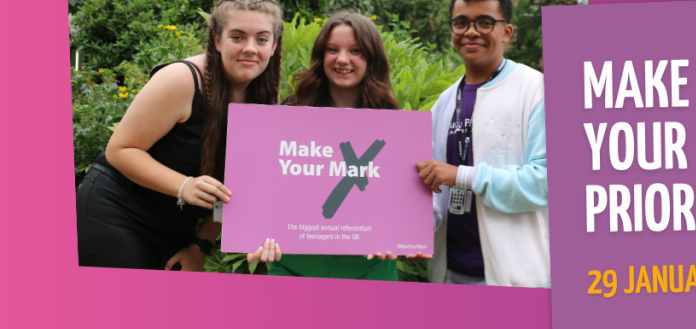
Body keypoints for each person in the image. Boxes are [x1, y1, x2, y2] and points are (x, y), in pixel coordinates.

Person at [77, 0, 284, 271]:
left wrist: (200, 245)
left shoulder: (266, 99)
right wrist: (184, 185)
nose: (249, 48)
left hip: (177, 230)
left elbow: (237, 186)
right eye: (237, 36)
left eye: (261, 39)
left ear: (274, 46)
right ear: (217, 40)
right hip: (117, 214)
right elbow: (121, 150)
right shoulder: (182, 80)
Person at [245, 12, 429, 280]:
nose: (342, 59)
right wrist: (256, 235)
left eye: (356, 50)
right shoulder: (290, 115)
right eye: (332, 50)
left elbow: (399, 201)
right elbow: (267, 191)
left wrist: (397, 237)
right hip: (294, 268)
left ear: (372, 58)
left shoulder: (393, 125)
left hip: (370, 270)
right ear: (321, 56)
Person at [416, 0, 549, 287]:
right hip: (449, 273)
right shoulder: (444, 102)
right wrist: (413, 232)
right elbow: (433, 189)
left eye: (485, 22)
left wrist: (462, 175)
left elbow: (546, 181)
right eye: (461, 22)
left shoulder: (536, 90)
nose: (471, 32)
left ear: (507, 32)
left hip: (517, 280)